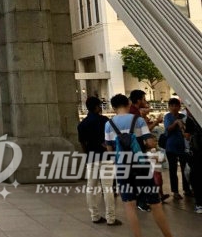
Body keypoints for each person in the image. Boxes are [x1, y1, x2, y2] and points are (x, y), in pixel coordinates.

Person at [105, 93, 174, 237]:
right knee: (155, 203)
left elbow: (110, 150)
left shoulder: (108, 125)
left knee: (129, 205)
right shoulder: (138, 120)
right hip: (141, 165)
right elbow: (150, 143)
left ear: (113, 108)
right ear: (128, 104)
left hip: (123, 168)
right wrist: (142, 145)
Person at [77, 96, 120, 226]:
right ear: (97, 107)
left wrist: (88, 154)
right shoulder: (105, 121)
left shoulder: (82, 124)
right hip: (106, 157)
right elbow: (113, 138)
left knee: (90, 187)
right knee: (107, 188)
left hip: (91, 158)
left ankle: (95, 216)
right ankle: (111, 218)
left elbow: (82, 142)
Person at [164, 97, 193, 199]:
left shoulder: (183, 116)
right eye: (172, 106)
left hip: (183, 147)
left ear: (179, 107)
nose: (174, 107)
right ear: (169, 107)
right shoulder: (167, 117)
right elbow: (168, 129)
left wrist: (182, 124)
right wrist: (176, 122)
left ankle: (187, 189)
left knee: (185, 169)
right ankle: (175, 191)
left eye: (176, 105)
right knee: (173, 170)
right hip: (171, 147)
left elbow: (187, 130)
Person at [184, 108, 202, 214]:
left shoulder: (191, 119)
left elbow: (187, 136)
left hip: (197, 153)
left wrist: (182, 128)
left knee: (196, 178)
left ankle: (199, 204)